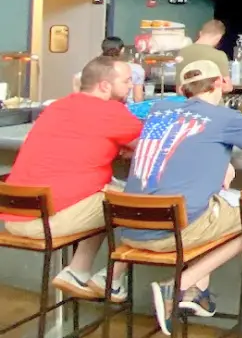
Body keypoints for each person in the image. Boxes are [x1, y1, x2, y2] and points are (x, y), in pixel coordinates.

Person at [122, 59, 242, 335]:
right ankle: (182, 283)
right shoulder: (226, 118)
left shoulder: (159, 109)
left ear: (181, 88)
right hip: (172, 230)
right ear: (219, 82)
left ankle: (198, 293)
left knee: (213, 200)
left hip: (126, 227)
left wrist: (221, 165)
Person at [1, 57, 142, 301]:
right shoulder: (110, 111)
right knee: (137, 203)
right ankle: (112, 278)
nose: (131, 85)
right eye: (127, 81)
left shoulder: (57, 106)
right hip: (46, 222)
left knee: (105, 192)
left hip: (13, 216)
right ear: (105, 86)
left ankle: (78, 271)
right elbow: (150, 145)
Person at [72, 37, 146, 102]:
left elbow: (79, 98)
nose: (130, 85)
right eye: (126, 81)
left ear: (103, 49)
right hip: (125, 111)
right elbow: (138, 98)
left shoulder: (90, 70)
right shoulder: (136, 70)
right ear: (122, 50)